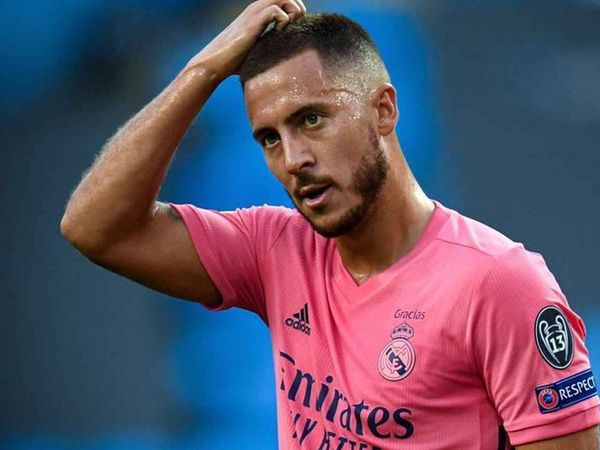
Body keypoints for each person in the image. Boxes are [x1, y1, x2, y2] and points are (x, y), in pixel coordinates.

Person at [60, 1, 600, 448]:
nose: (293, 158)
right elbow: (96, 228)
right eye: (269, 138)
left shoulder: (500, 283)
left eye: (311, 119)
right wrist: (204, 72)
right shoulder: (274, 249)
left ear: (383, 110)